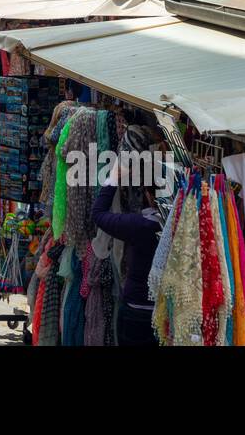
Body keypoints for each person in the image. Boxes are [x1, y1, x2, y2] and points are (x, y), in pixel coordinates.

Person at [91, 124, 168, 346]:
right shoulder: (186, 224)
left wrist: (113, 176)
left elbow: (98, 213)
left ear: (148, 194)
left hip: (137, 311)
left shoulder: (141, 225)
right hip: (168, 316)